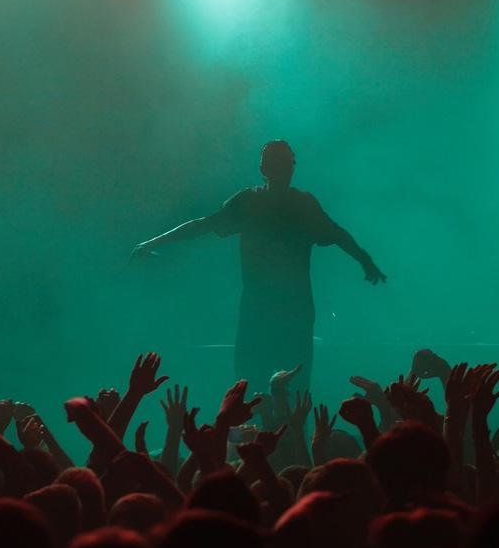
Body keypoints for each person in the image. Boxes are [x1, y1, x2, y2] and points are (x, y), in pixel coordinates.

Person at [132, 140, 386, 391]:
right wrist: (365, 260)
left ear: (265, 169)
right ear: (280, 169)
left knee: (258, 385)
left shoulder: (265, 202)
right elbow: (338, 234)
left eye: (283, 163)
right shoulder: (278, 203)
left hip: (274, 310)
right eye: (281, 164)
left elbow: (205, 224)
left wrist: (155, 241)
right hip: (279, 310)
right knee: (275, 386)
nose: (283, 169)